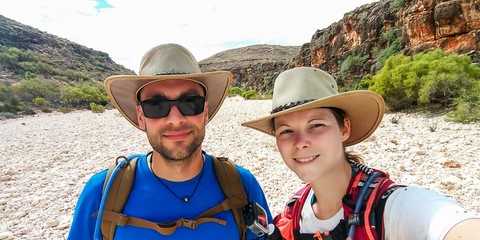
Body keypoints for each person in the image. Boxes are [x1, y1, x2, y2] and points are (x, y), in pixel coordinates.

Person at [242, 67, 480, 240]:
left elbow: (448, 223)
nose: (301, 142)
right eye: (286, 131)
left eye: (316, 125)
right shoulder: (296, 210)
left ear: (344, 128)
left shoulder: (390, 207)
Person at [68, 43, 273, 239]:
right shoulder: (101, 193)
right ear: (141, 117)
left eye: (190, 103)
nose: (175, 120)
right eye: (156, 105)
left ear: (206, 112)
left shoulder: (243, 186)